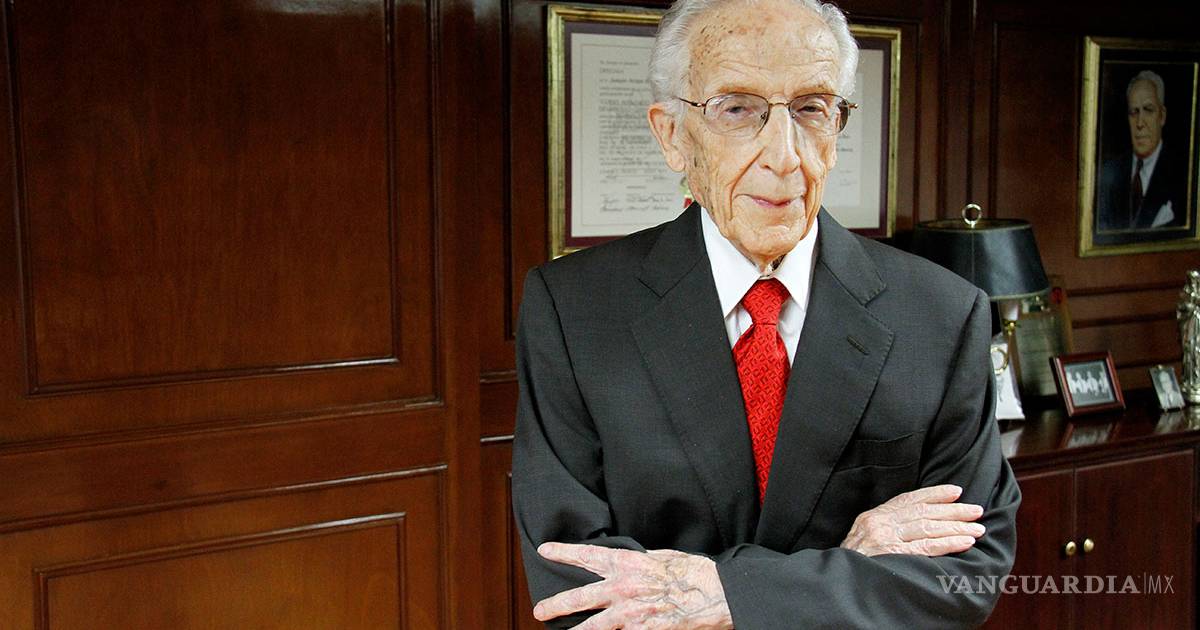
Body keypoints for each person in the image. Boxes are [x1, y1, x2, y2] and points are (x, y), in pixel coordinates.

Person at [511, 0, 1020, 627]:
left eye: (811, 109)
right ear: (672, 135)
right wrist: (845, 563)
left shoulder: (943, 314)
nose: (784, 156)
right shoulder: (573, 310)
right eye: (736, 109)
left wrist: (722, 594)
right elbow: (576, 583)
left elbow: (967, 573)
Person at [1097, 70, 1188, 231]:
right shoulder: (1108, 174)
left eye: (1148, 110)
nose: (1139, 123)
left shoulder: (1183, 175)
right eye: (1134, 112)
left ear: (1162, 116)